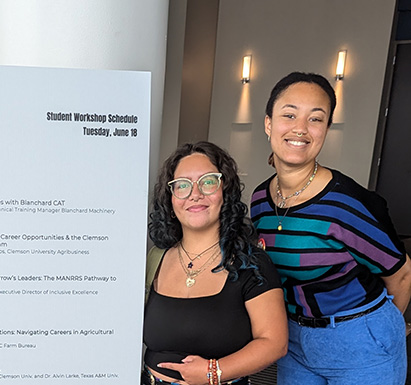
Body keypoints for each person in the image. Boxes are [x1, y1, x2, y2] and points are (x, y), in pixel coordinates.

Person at [250, 71, 411, 384]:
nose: (300, 128)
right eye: (289, 115)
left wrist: (383, 329)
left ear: (326, 129)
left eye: (316, 119)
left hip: (360, 342)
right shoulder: (259, 200)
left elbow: (401, 273)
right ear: (269, 123)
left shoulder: (346, 203)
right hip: (294, 340)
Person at [143, 142, 287, 385]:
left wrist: (213, 371)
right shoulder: (155, 258)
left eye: (208, 181)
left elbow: (275, 343)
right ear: (171, 198)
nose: (195, 194)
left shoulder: (251, 263)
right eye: (182, 185)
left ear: (225, 190)